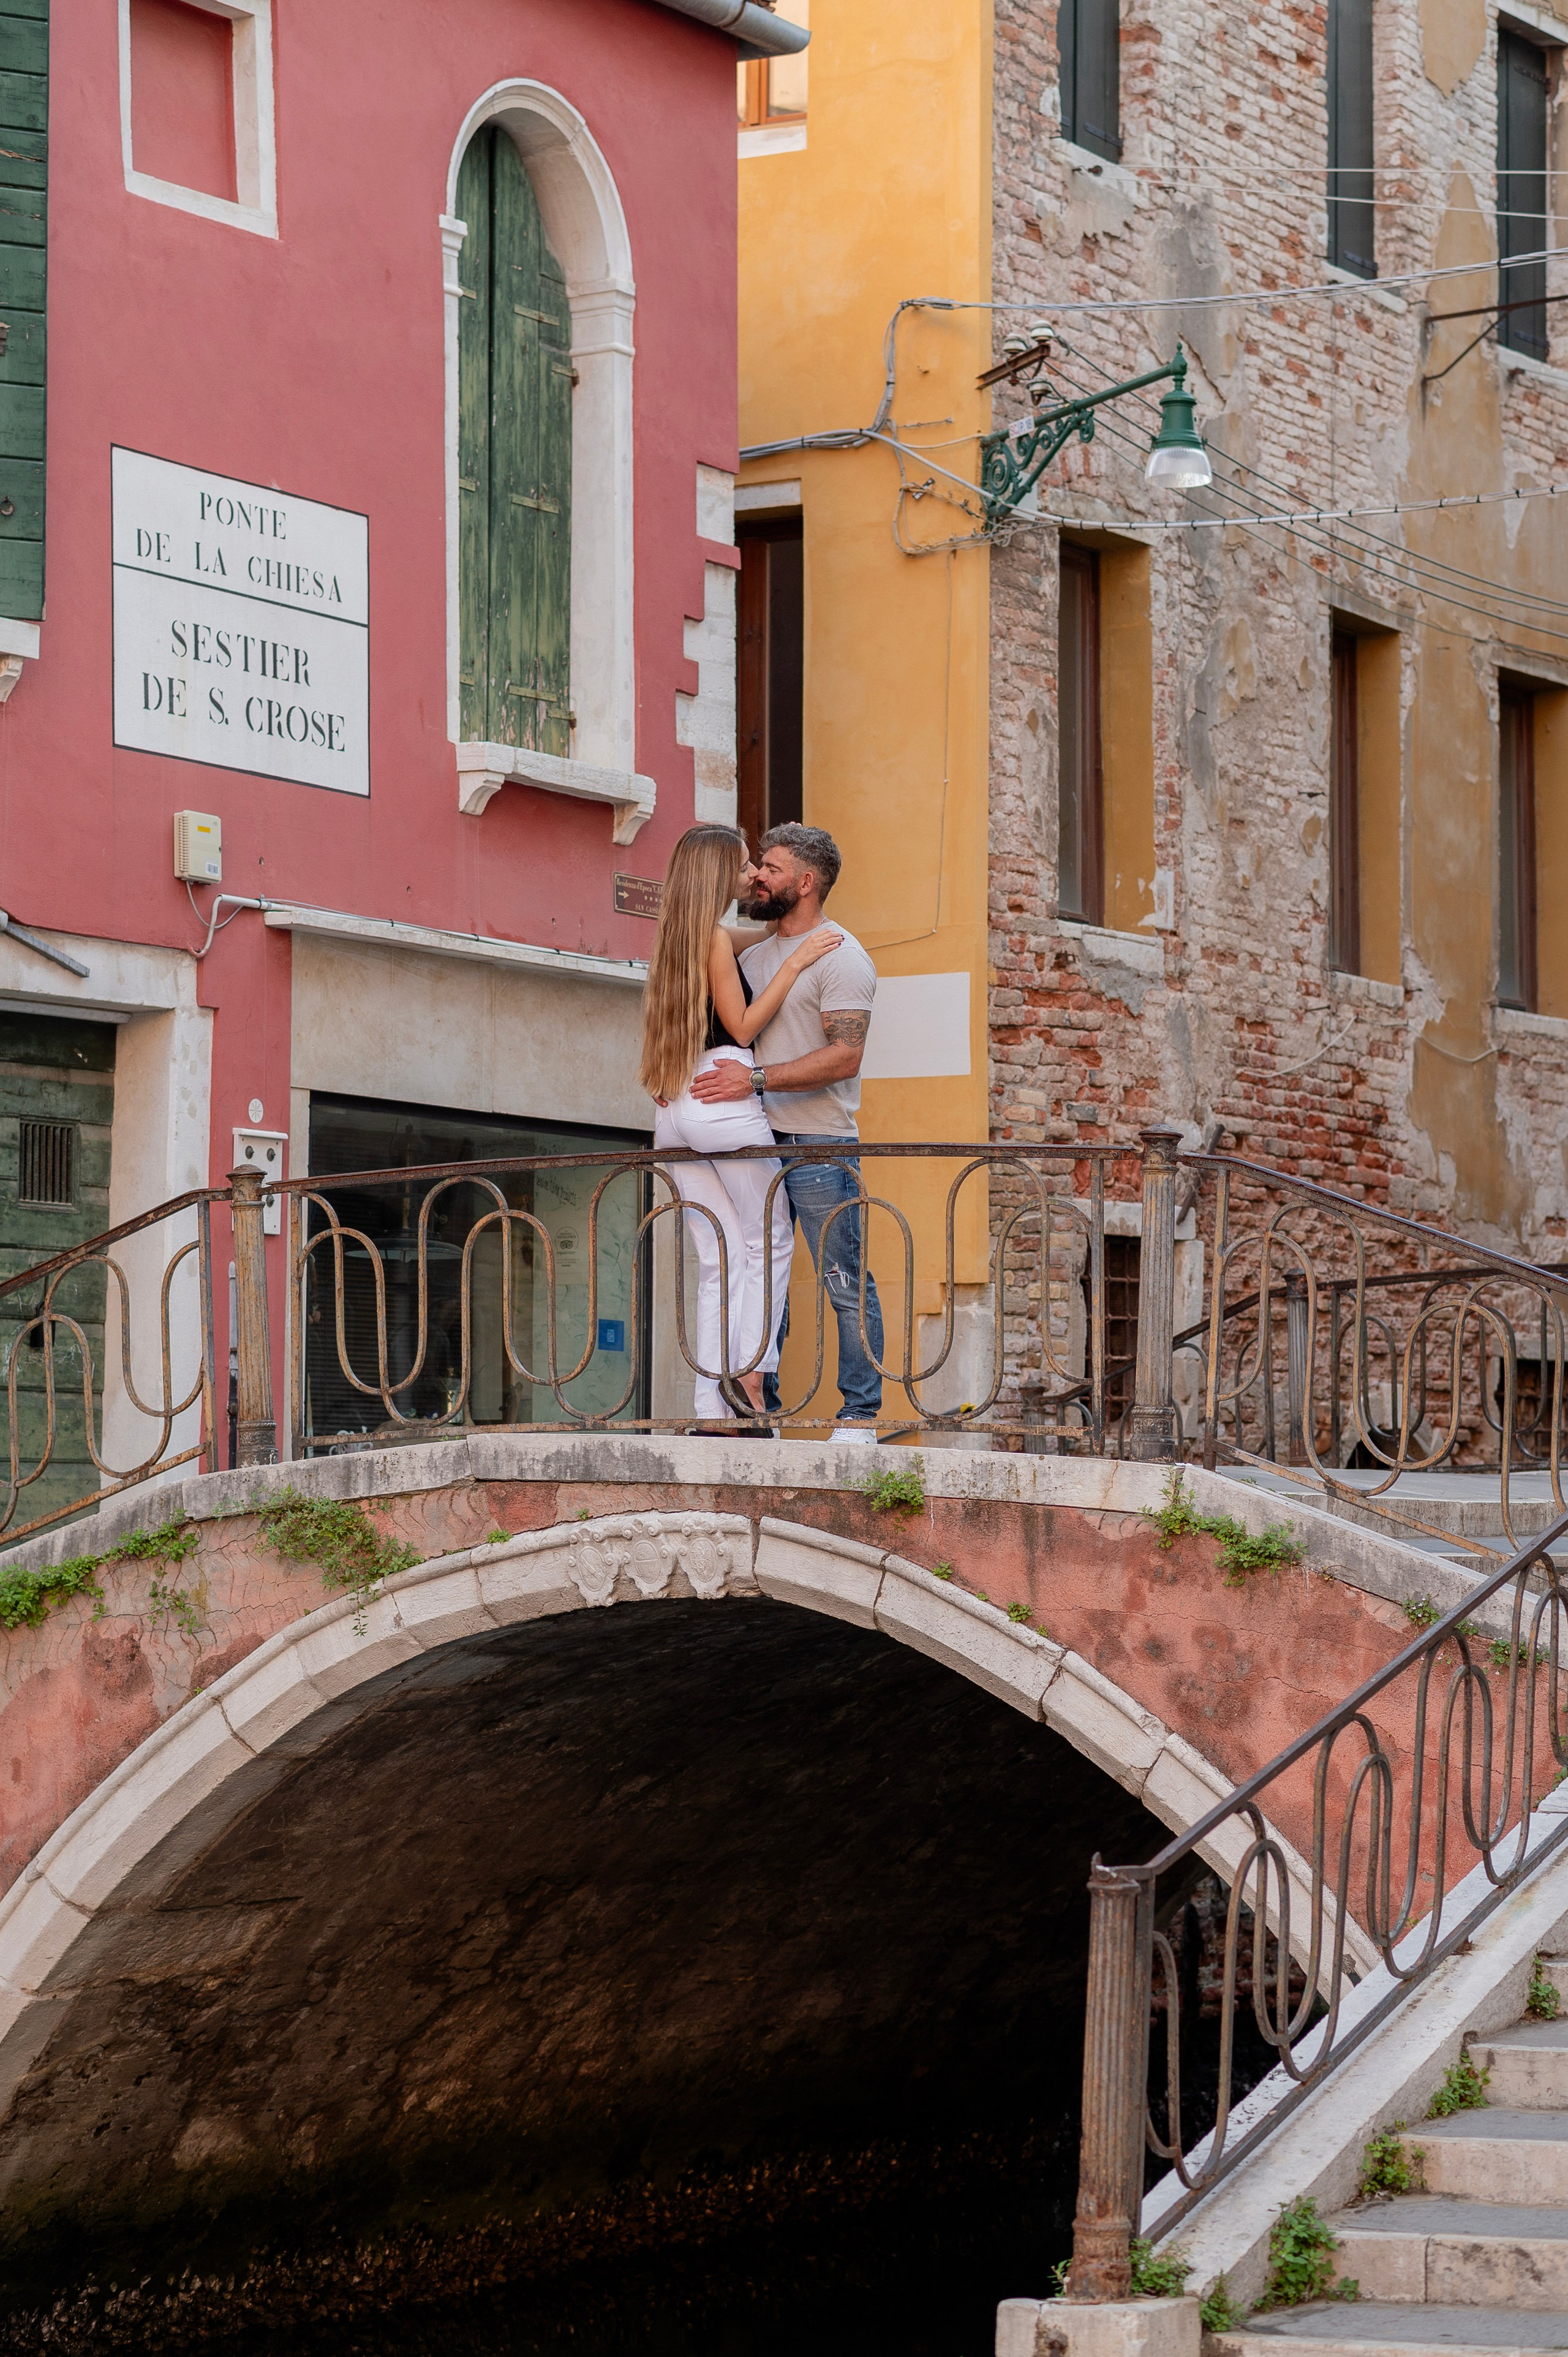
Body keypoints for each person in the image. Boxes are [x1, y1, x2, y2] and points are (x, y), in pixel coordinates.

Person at [639, 823, 842, 1425]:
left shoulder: (679, 933)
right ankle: (752, 1378)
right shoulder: (712, 940)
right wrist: (798, 958)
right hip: (723, 1097)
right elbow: (745, 1023)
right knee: (768, 1241)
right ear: (718, 873)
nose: (753, 873)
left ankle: (710, 1406)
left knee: (717, 1259)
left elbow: (752, 937)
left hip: (673, 1109)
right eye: (745, 864)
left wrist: (785, 933)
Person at [690, 823, 883, 1442]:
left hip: (819, 1143)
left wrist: (757, 1081)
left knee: (844, 1279)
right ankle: (757, 1414)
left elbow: (844, 1056)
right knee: (760, 1278)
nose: (756, 877)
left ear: (804, 882)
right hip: (754, 1139)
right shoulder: (751, 955)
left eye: (769, 868)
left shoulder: (843, 956)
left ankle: (859, 1417)